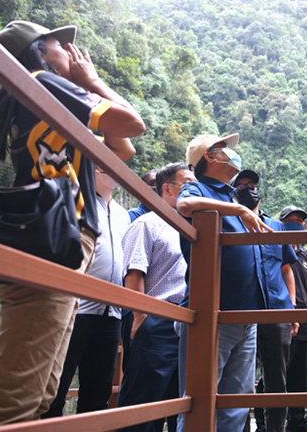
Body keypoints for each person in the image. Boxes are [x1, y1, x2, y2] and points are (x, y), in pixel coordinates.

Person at [0, 20, 144, 429]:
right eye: (61, 43)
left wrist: (86, 87)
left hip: (52, 236)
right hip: (52, 239)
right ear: (39, 52)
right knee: (13, 396)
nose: (72, 50)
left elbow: (123, 149)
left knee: (41, 390)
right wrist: (93, 80)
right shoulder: (42, 82)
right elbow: (133, 124)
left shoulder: (37, 97)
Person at [174, 134, 273, 432]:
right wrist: (239, 210)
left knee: (236, 403)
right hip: (212, 314)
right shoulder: (199, 188)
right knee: (197, 402)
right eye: (225, 150)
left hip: (245, 315)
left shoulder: (230, 195)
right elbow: (185, 204)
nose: (232, 154)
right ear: (209, 157)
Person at [42, 166, 130, 418]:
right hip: (75, 307)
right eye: (106, 164)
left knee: (98, 391)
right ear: (95, 169)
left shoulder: (124, 214)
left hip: (111, 313)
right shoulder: (75, 202)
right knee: (56, 386)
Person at [118, 163, 195, 432]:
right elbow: (134, 273)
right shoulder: (147, 224)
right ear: (167, 188)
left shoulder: (194, 228)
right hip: (157, 318)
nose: (193, 190)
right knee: (144, 400)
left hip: (188, 321)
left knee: (182, 401)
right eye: (186, 183)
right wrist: (139, 315)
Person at [228, 171, 297, 432]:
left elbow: (286, 269)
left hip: (276, 311)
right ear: (233, 191)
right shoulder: (229, 222)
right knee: (238, 378)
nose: (248, 189)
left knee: (276, 380)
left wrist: (291, 308)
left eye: (252, 185)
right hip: (241, 311)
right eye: (242, 185)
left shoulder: (276, 226)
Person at [278, 206, 307, 432]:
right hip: (281, 319)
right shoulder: (274, 248)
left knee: (299, 375)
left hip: (304, 323)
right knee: (275, 373)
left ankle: (297, 423)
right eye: (290, 220)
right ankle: (269, 423)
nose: (295, 223)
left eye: (299, 220)